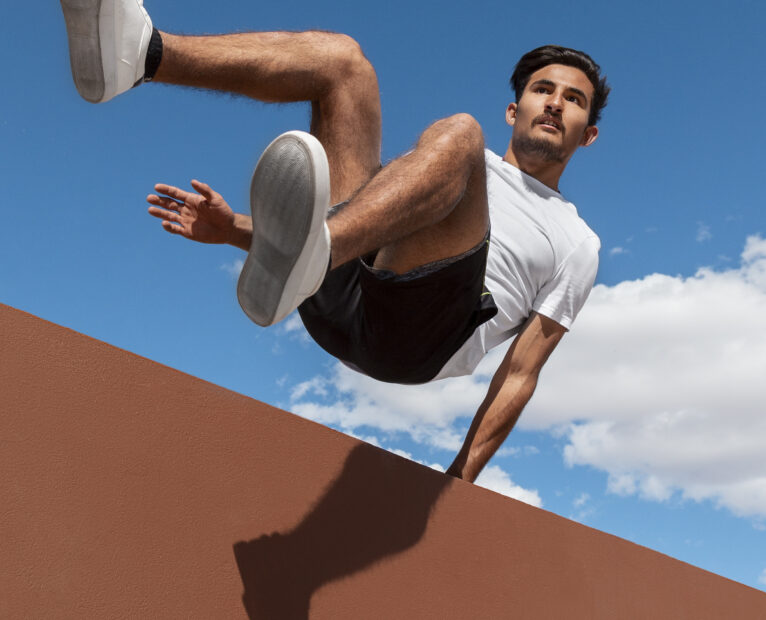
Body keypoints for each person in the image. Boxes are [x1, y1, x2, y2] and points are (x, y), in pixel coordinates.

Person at [60, 0, 610, 483]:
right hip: (343, 279)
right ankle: (140, 55)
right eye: (543, 90)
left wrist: (460, 477)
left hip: (417, 336)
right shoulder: (442, 167)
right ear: (516, 110)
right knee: (342, 61)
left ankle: (316, 251)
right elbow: (377, 218)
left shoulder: (577, 240)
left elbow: (521, 372)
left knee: (460, 134)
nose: (555, 103)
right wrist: (234, 232)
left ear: (589, 135)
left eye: (573, 99)